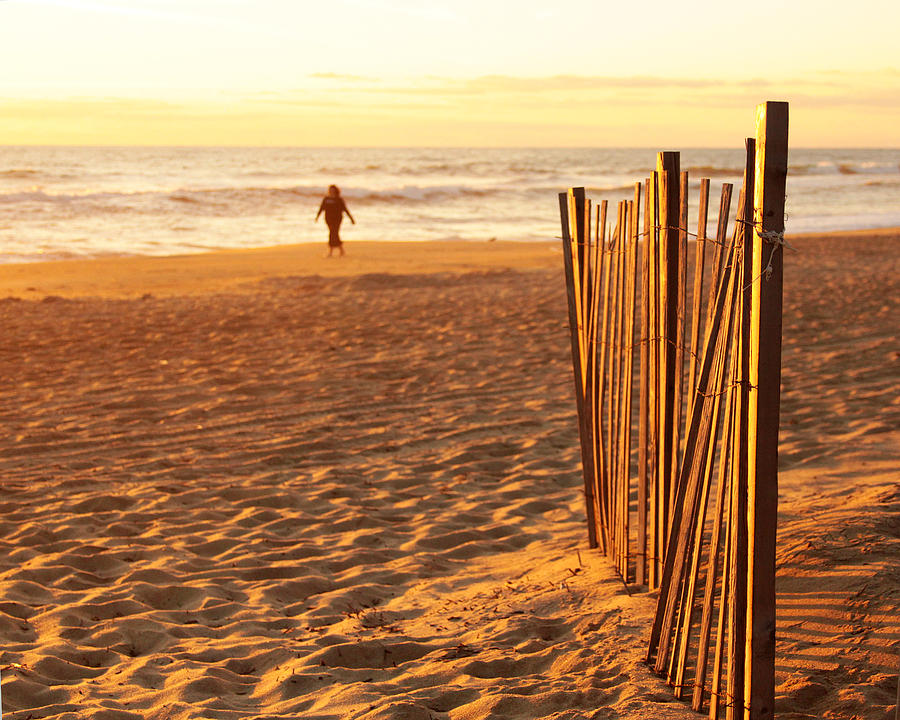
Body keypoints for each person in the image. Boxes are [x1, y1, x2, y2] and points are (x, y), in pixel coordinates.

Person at [315, 185, 355, 257]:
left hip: (337, 219)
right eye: (330, 190)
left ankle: (330, 252)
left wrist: (351, 218)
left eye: (333, 190)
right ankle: (341, 250)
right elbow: (321, 208)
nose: (331, 191)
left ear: (336, 191)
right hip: (328, 219)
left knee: (333, 233)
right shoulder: (326, 199)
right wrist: (317, 217)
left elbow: (345, 209)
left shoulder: (339, 199)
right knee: (334, 234)